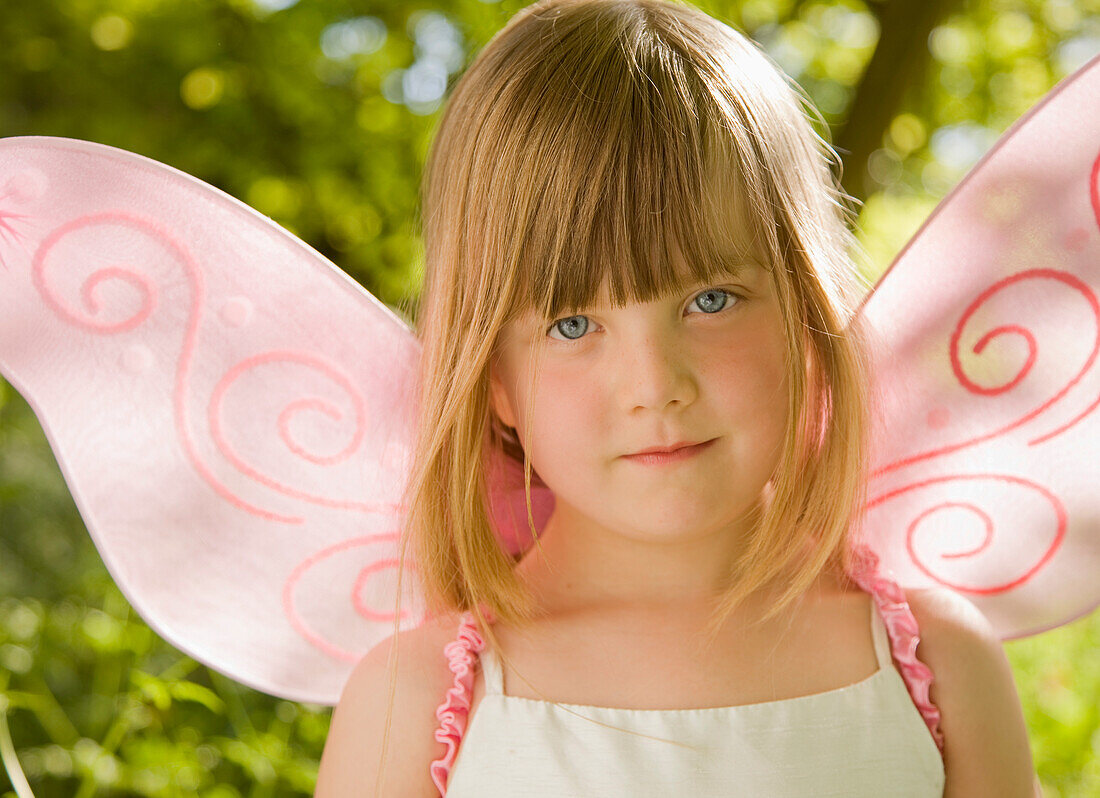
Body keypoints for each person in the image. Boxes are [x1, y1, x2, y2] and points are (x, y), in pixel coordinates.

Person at [315, 0, 1039, 795]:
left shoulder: (940, 669)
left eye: (711, 301)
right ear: (493, 378)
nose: (656, 386)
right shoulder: (411, 704)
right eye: (573, 323)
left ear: (808, 317)